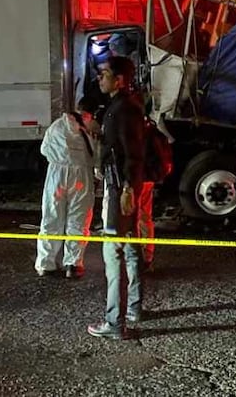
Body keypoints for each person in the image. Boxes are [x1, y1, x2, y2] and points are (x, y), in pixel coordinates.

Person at [87, 56, 146, 340]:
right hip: (122, 186)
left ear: (120, 79)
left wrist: (127, 189)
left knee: (114, 252)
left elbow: (132, 153)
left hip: (120, 189)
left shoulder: (123, 109)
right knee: (131, 246)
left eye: (105, 74)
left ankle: (114, 321)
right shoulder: (122, 106)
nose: (101, 78)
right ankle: (133, 308)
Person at [35, 97, 99, 279]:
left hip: (57, 173)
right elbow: (98, 153)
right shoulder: (91, 128)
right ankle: (73, 264)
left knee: (51, 217)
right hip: (82, 175)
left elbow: (44, 149)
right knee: (78, 219)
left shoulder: (57, 125)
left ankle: (45, 263)